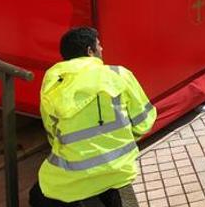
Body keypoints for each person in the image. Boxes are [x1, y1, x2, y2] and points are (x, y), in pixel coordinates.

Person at [30, 27, 156, 207]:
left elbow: (52, 134)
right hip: (119, 169)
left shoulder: (52, 85)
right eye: (99, 45)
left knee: (37, 196)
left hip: (71, 177)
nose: (102, 49)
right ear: (90, 51)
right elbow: (144, 123)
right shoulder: (119, 75)